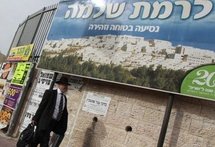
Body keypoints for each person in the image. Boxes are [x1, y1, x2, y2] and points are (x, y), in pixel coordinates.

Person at [31, 76, 70, 147]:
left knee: (39, 141)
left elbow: (63, 113)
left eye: (66, 85)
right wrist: (35, 118)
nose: (65, 86)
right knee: (39, 142)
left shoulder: (64, 98)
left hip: (53, 124)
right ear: (59, 85)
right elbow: (42, 106)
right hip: (44, 122)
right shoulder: (50, 93)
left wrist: (63, 128)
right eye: (63, 84)